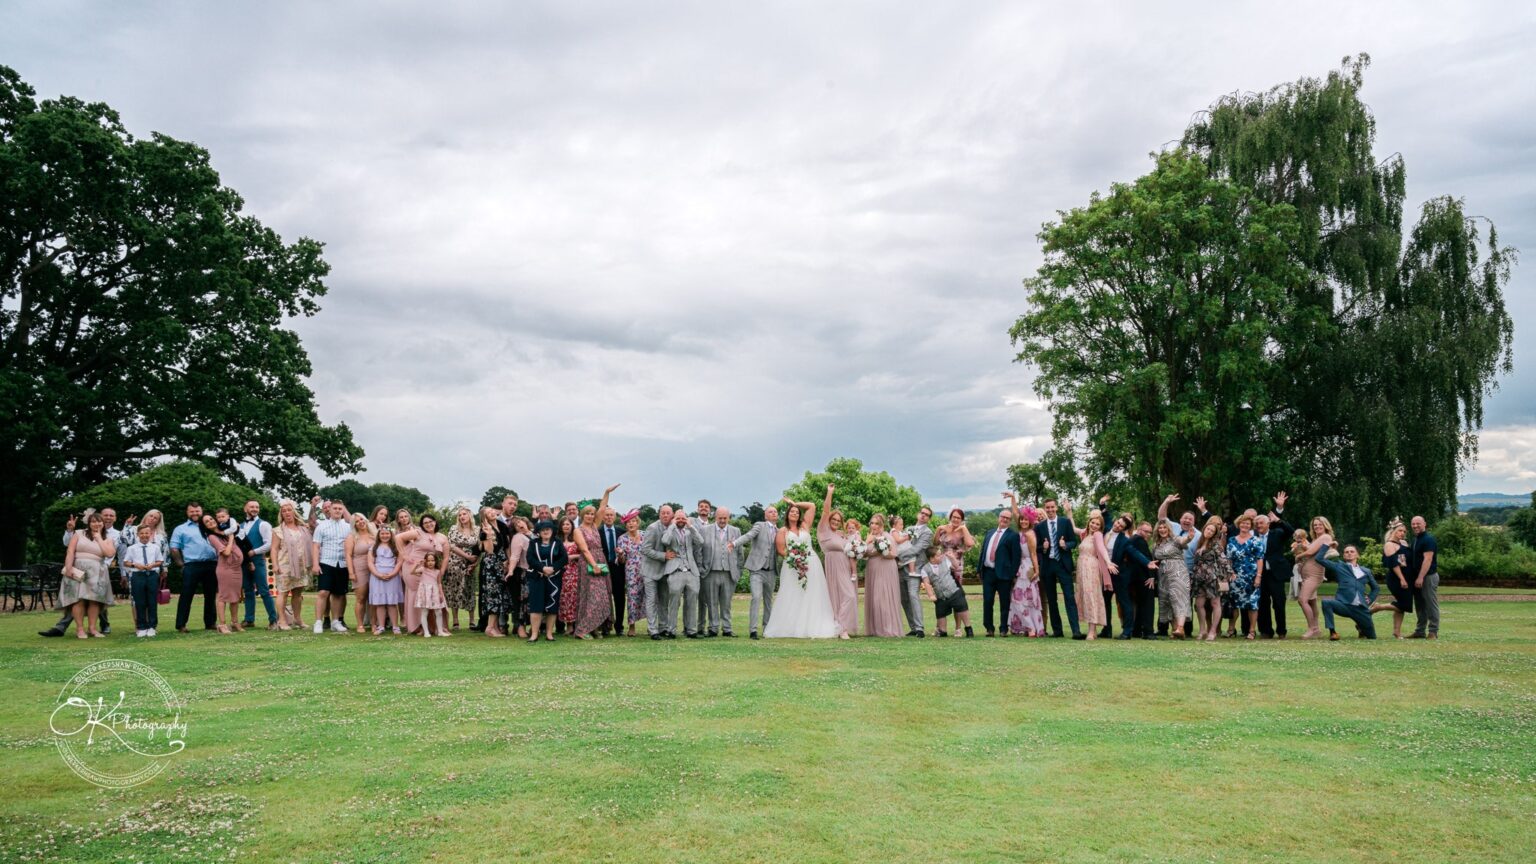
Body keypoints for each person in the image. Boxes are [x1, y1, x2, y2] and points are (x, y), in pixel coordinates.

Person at [762, 497, 841, 639]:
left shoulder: (805, 526)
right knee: (792, 593)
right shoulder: (782, 531)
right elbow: (781, 550)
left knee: (812, 594)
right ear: (787, 514)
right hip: (792, 566)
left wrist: (794, 503)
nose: (795, 513)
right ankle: (791, 625)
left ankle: (811, 624)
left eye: (797, 512)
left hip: (812, 564)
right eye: (792, 511)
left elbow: (811, 505)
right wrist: (795, 558)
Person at [61, 512, 117, 638]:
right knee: (78, 599)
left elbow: (109, 554)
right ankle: (80, 629)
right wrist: (69, 567)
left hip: (97, 570)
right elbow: (70, 551)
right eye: (93, 521)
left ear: (103, 523)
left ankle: (92, 628)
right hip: (78, 569)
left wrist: (99, 539)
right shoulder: (79, 533)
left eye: (99, 521)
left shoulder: (108, 539)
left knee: (94, 600)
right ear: (88, 523)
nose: (96, 524)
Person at [1033, 498, 1082, 638]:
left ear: (1056, 508)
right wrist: (1044, 547)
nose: (1050, 510)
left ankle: (1076, 631)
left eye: (1052, 507)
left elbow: (1074, 541)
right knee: (1052, 599)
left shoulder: (1065, 523)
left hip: (1063, 564)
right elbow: (1036, 547)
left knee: (1069, 598)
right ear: (1045, 508)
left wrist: (1065, 545)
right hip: (1048, 565)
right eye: (1047, 507)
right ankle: (1057, 631)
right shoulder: (1039, 527)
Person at [977, 493, 1023, 637]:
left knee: (1005, 603)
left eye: (1007, 518)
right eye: (1002, 517)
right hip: (988, 572)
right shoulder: (990, 533)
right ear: (999, 517)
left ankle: (1004, 628)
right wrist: (980, 569)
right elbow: (983, 551)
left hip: (1004, 575)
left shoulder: (1013, 535)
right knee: (988, 601)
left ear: (1010, 521)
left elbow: (1016, 558)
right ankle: (989, 628)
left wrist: (1012, 575)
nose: (1004, 519)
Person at [395, 514, 449, 636]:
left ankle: (435, 627)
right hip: (414, 567)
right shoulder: (418, 533)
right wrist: (404, 555)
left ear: (435, 522)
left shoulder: (442, 538)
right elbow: (398, 538)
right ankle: (417, 627)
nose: (428, 524)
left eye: (430, 521)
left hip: (431, 571)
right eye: (425, 523)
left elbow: (445, 557)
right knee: (417, 595)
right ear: (422, 525)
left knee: (433, 595)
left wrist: (441, 572)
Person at [731, 505, 780, 639]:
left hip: (771, 571)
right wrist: (734, 543)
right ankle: (753, 630)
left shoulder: (780, 531)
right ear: (766, 515)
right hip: (757, 570)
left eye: (775, 512)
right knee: (756, 597)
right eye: (771, 511)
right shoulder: (759, 526)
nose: (774, 513)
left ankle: (767, 629)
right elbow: (748, 536)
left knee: (769, 601)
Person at [816, 486, 858, 637]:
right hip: (833, 566)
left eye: (838, 520)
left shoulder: (842, 534)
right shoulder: (823, 529)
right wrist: (829, 493)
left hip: (845, 567)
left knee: (849, 596)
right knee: (839, 596)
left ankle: (842, 626)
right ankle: (841, 628)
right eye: (833, 519)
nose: (835, 521)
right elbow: (826, 510)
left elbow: (854, 545)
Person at [170, 502, 219, 632]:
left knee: (210, 595)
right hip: (192, 565)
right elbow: (174, 548)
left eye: (197, 511)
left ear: (201, 511)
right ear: (187, 512)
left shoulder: (210, 526)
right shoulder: (181, 529)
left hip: (211, 564)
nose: (195, 513)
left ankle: (210, 623)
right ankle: (181, 624)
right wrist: (181, 565)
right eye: (192, 511)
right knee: (186, 595)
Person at [1316, 544, 1381, 640]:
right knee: (1326, 602)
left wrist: (1370, 599)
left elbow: (1376, 588)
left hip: (1360, 608)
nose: (1349, 553)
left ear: (1357, 555)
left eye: (1352, 551)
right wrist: (1327, 545)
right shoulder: (1339, 566)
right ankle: (1333, 632)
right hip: (1344, 605)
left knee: (1372, 637)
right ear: (1344, 556)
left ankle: (1360, 628)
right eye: (1346, 552)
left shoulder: (1366, 571)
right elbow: (1319, 559)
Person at [309, 500, 353, 635]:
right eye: (335, 508)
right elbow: (316, 546)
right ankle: (318, 621)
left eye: (340, 509)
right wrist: (315, 564)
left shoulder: (348, 527)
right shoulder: (322, 526)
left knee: (339, 594)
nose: (338, 511)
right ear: (330, 510)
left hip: (342, 563)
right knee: (323, 592)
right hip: (326, 562)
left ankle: (335, 622)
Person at [1254, 493, 1294, 637]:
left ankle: (1281, 631)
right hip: (1260, 574)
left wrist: (1279, 518)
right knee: (1263, 604)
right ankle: (1265, 631)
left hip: (1276, 573)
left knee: (1278, 603)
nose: (1259, 525)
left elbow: (1291, 532)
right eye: (1257, 524)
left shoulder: (1277, 533)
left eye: (1261, 523)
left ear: (1268, 524)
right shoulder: (1253, 537)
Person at [698, 506, 741, 637]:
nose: (722, 520)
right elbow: (698, 551)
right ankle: (713, 628)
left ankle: (727, 628)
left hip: (729, 573)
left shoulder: (736, 531)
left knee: (726, 603)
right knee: (711, 602)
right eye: (720, 518)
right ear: (715, 517)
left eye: (725, 518)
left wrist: (738, 570)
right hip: (710, 572)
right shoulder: (705, 530)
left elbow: (740, 553)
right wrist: (701, 568)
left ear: (729, 517)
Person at [269, 501, 312, 631]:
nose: (287, 512)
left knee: (297, 593)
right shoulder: (278, 531)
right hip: (285, 566)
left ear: (294, 512)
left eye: (289, 510)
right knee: (283, 592)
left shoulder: (303, 528)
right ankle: (282, 620)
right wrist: (275, 565)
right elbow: (274, 549)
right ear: (281, 514)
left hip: (301, 566)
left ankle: (297, 619)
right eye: (284, 511)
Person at [575, 501, 615, 640]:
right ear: (582, 515)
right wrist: (594, 565)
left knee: (604, 595)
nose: (590, 516)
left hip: (601, 560)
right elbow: (584, 550)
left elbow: (602, 509)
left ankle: (594, 628)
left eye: (592, 514)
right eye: (587, 514)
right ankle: (582, 630)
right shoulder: (578, 530)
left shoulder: (594, 526)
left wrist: (606, 493)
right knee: (593, 597)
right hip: (588, 563)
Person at [661, 510, 705, 638]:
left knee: (692, 600)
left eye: (683, 518)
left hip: (691, 570)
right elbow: (665, 541)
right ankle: (671, 630)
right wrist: (672, 526)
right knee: (674, 601)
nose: (681, 520)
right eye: (678, 518)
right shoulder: (669, 530)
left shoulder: (689, 531)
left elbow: (701, 542)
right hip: (675, 570)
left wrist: (690, 526)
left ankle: (691, 630)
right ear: (674, 519)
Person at [861, 513, 906, 637]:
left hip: (886, 568)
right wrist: (866, 542)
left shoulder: (887, 536)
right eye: (872, 523)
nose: (873, 525)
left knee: (883, 597)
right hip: (872, 569)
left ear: (881, 525)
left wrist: (882, 551)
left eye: (876, 523)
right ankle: (875, 629)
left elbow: (893, 554)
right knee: (874, 597)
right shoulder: (869, 536)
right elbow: (863, 554)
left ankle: (887, 628)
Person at [236, 500, 278, 630]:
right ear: (245, 509)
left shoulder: (264, 524)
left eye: (257, 507)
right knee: (248, 591)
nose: (255, 509)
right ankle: (249, 620)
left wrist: (254, 551)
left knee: (264, 590)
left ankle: (273, 620)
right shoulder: (240, 526)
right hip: (244, 562)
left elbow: (269, 544)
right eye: (252, 507)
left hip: (258, 560)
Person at [1072, 507, 1112, 641]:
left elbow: (1101, 549)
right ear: (1089, 522)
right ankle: (1092, 631)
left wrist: (1108, 562)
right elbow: (1073, 528)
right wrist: (1068, 512)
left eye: (1097, 524)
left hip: (1092, 568)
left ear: (1100, 526)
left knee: (1091, 596)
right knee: (1084, 595)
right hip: (1082, 568)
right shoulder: (1085, 534)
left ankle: (1091, 631)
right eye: (1092, 523)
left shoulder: (1097, 535)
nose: (1094, 525)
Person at [1191, 517, 1234, 642]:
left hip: (1212, 577)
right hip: (1199, 578)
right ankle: (1202, 630)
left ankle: (1213, 631)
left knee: (1215, 603)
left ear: (1215, 533)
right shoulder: (1200, 542)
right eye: (1208, 529)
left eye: (1212, 531)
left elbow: (1223, 559)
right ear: (1205, 529)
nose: (1209, 531)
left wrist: (1230, 571)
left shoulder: (1216, 544)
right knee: (1198, 604)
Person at [1151, 518, 1195, 638]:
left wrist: (1189, 537)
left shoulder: (1175, 539)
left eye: (1164, 527)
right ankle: (1175, 629)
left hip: (1178, 572)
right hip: (1163, 575)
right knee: (1167, 601)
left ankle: (1181, 628)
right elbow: (1154, 560)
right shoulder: (1156, 544)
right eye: (1160, 528)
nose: (1162, 529)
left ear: (1169, 529)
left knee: (1179, 598)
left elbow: (1183, 541)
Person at [894, 506, 934, 637]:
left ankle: (920, 628)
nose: (923, 515)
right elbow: (899, 543)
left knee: (913, 595)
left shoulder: (927, 533)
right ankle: (913, 627)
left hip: (915, 569)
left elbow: (917, 549)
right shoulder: (908, 529)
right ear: (918, 514)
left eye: (926, 515)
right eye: (922, 513)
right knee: (904, 598)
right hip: (901, 568)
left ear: (928, 519)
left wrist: (897, 556)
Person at [526, 519, 568, 643]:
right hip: (537, 577)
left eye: (548, 529)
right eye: (543, 530)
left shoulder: (558, 542)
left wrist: (553, 568)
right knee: (536, 605)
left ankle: (549, 633)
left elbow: (564, 558)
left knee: (552, 605)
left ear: (552, 531)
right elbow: (530, 558)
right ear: (539, 532)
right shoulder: (533, 543)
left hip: (554, 578)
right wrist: (542, 568)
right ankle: (534, 634)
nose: (545, 531)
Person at [1225, 514, 1265, 641]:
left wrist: (1258, 576)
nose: (1245, 525)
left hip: (1251, 577)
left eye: (1248, 523)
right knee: (1234, 604)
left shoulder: (1256, 541)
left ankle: (1252, 630)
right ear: (1239, 524)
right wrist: (1230, 573)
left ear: (1251, 526)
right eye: (1243, 523)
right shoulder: (1231, 540)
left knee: (1252, 604)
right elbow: (1229, 559)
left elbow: (1260, 559)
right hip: (1235, 577)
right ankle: (1231, 629)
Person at [919, 546, 972, 637]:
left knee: (962, 608)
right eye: (938, 555)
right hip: (941, 596)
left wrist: (952, 558)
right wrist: (931, 595)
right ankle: (943, 631)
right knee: (941, 614)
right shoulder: (925, 569)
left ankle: (968, 628)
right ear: (932, 558)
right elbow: (927, 583)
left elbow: (956, 566)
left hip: (953, 591)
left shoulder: (945, 561)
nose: (941, 557)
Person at [205, 513, 245, 634]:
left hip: (237, 568)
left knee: (235, 596)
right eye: (207, 521)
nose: (210, 521)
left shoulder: (224, 531)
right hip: (226, 569)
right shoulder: (212, 537)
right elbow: (226, 553)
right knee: (223, 596)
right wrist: (231, 538)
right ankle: (222, 624)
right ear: (205, 526)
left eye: (211, 519)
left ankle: (235, 622)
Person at [1295, 517, 1334, 639]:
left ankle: (1312, 628)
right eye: (1315, 525)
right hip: (1307, 574)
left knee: (1303, 600)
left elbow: (1310, 552)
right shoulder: (1317, 539)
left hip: (1314, 574)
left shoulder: (1325, 537)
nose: (1317, 527)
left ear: (1325, 525)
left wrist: (1298, 556)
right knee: (1311, 601)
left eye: (1319, 524)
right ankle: (1316, 629)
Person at [640, 505, 675, 639]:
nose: (665, 515)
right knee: (651, 600)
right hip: (650, 570)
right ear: (659, 515)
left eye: (668, 513)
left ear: (672, 515)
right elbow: (645, 549)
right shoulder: (652, 528)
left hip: (666, 571)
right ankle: (652, 630)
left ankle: (663, 627)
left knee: (664, 600)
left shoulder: (674, 527)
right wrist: (663, 555)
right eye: (662, 513)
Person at [1374, 518, 1413, 638]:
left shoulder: (1403, 543)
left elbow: (1403, 560)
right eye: (1400, 531)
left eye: (1404, 532)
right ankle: (1377, 607)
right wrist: (1402, 578)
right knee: (1404, 605)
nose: (1402, 533)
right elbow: (1393, 564)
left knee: (1401, 607)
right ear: (1393, 531)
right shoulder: (1389, 545)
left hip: (1407, 577)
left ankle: (1397, 632)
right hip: (1396, 578)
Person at [124, 524, 165, 637]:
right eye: (142, 533)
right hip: (138, 575)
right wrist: (135, 564)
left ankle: (152, 626)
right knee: (140, 601)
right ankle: (141, 627)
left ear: (150, 534)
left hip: (151, 575)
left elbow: (160, 560)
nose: (144, 535)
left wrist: (153, 564)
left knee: (152, 601)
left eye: (147, 533)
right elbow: (126, 562)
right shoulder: (132, 548)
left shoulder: (155, 547)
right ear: (138, 535)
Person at [443, 507, 480, 630]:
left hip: (470, 565)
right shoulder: (454, 529)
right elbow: (451, 545)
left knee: (469, 591)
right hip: (455, 563)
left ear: (470, 515)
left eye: (464, 514)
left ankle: (472, 620)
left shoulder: (477, 530)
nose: (462, 516)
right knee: (454, 590)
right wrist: (467, 556)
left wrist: (475, 562)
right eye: (459, 515)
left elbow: (480, 548)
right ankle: (455, 620)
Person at [597, 490, 626, 634]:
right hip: (603, 567)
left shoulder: (621, 531)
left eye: (611, 515)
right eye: (606, 515)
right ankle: (605, 627)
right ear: (603, 517)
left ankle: (619, 627)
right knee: (604, 598)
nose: (608, 517)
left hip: (618, 568)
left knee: (619, 598)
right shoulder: (597, 531)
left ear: (614, 517)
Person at [616, 511, 648, 637]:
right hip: (631, 572)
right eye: (628, 522)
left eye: (633, 521)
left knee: (649, 598)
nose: (631, 524)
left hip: (646, 570)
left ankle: (651, 626)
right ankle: (632, 626)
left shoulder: (645, 535)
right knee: (632, 599)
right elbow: (621, 561)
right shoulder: (622, 539)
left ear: (638, 523)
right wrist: (620, 554)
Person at [1408, 515, 1440, 639]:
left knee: (1430, 603)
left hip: (1428, 576)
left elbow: (1428, 560)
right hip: (1418, 577)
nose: (1415, 526)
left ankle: (1433, 631)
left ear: (1424, 524)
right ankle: (1420, 631)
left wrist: (1421, 577)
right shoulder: (1416, 539)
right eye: (1413, 524)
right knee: (1420, 605)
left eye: (1418, 523)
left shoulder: (1428, 540)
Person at [368, 526, 405, 634]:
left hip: (392, 576)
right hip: (377, 576)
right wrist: (377, 574)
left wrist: (393, 573)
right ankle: (381, 626)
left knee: (392, 603)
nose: (385, 536)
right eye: (382, 534)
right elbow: (370, 562)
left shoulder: (395, 547)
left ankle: (395, 626)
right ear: (379, 535)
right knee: (380, 603)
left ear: (391, 534)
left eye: (387, 533)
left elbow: (399, 562)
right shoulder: (374, 547)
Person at [344, 514, 378, 632]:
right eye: (357, 521)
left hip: (375, 568)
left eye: (362, 519)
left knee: (374, 598)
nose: (360, 522)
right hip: (359, 568)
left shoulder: (374, 534)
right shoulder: (352, 537)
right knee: (361, 598)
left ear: (366, 520)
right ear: (354, 525)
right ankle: (360, 625)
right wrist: (351, 572)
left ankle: (374, 624)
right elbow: (348, 555)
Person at [556, 516, 584, 632]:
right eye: (564, 524)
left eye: (568, 524)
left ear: (572, 526)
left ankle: (573, 624)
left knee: (573, 597)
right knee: (563, 598)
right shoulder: (557, 540)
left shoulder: (576, 540)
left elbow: (584, 554)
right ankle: (566, 623)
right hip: (560, 572)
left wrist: (573, 556)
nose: (566, 526)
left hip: (574, 572)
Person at [414, 551, 450, 638]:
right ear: (425, 561)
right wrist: (417, 565)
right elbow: (413, 572)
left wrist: (441, 594)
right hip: (425, 592)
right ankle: (426, 632)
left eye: (432, 560)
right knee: (424, 611)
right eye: (428, 560)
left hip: (435, 592)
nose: (430, 562)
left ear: (435, 561)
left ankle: (440, 631)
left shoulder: (438, 571)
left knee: (439, 611)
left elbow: (439, 583)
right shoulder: (423, 569)